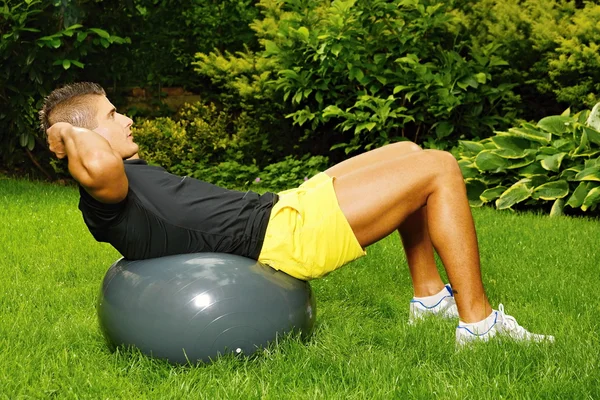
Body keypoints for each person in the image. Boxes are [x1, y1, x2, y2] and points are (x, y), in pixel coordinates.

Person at [41, 82, 554, 347]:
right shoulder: (106, 197)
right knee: (439, 169)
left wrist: (83, 125)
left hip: (283, 205)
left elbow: (105, 154)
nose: (127, 118)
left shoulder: (130, 177)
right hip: (284, 237)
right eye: (113, 115)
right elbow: (98, 164)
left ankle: (428, 299)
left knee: (408, 149)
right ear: (85, 140)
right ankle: (479, 325)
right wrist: (65, 132)